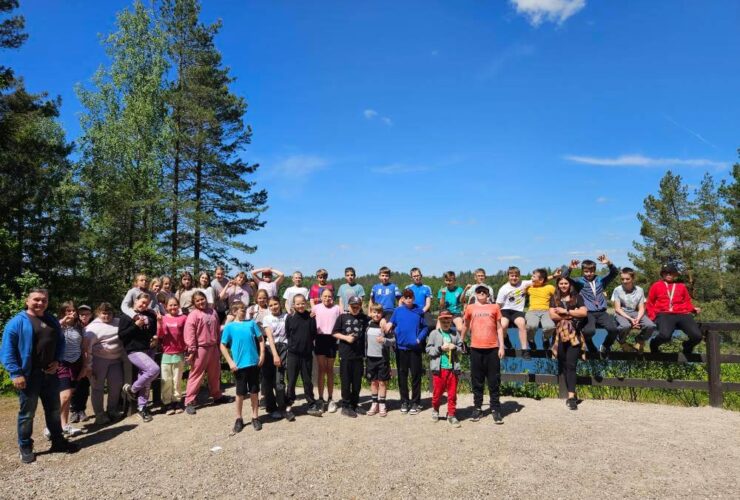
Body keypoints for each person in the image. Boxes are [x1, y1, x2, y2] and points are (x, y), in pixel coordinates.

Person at [1, 289, 78, 463]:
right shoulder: (17, 323)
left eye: (44, 300)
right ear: (27, 301)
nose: (40, 303)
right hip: (28, 376)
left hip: (50, 374)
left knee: (54, 410)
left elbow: (60, 342)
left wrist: (57, 361)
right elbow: (7, 350)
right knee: (27, 414)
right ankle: (25, 446)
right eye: (36, 299)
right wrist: (15, 373)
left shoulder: (51, 320)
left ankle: (58, 441)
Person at [461, 285, 505, 424]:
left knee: (494, 380)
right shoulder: (470, 308)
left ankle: (495, 409)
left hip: (492, 348)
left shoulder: (494, 307)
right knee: (477, 380)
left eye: (484, 292)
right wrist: (461, 340)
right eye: (479, 291)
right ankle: (477, 408)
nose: (481, 293)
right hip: (475, 348)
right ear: (475, 294)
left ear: (488, 294)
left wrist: (501, 346)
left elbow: (499, 328)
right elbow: (465, 325)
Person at [183, 291, 232, 414]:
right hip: (200, 348)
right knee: (196, 374)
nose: (201, 302)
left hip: (213, 347)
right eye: (197, 300)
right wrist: (192, 350)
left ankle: (217, 395)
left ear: (206, 299)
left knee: (215, 373)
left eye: (202, 299)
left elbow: (217, 330)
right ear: (194, 303)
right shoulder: (193, 315)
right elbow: (189, 333)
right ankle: (189, 401)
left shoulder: (213, 312)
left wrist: (219, 345)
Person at [220, 302, 265, 433]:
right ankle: (238, 418)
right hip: (239, 365)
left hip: (254, 363)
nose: (244, 312)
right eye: (242, 310)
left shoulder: (251, 323)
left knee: (254, 391)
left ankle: (255, 417)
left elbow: (261, 339)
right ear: (234, 311)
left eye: (245, 309)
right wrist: (230, 362)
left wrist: (262, 354)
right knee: (240, 393)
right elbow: (222, 345)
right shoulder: (229, 327)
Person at [562, 255, 620, 356]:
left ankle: (605, 346)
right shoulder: (579, 281)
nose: (589, 274)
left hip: (602, 313)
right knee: (589, 331)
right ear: (583, 271)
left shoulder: (600, 280)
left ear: (595, 271)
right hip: (588, 313)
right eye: (586, 271)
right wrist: (570, 268)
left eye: (592, 271)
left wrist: (609, 263)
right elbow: (565, 277)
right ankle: (589, 343)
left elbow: (614, 273)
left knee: (614, 330)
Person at [386, 289, 428, 415]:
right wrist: (388, 326)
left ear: (413, 298)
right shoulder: (398, 311)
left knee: (416, 376)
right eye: (406, 297)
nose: (408, 299)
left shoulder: (419, 311)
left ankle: (415, 402)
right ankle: (404, 401)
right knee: (402, 376)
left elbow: (425, 328)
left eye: (410, 297)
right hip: (401, 348)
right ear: (403, 299)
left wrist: (419, 339)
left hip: (415, 349)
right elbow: (391, 323)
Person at [119, 293, 159, 422]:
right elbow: (122, 336)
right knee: (154, 370)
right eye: (142, 302)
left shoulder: (150, 315)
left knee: (147, 379)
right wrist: (135, 325)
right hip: (134, 350)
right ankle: (132, 389)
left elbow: (153, 331)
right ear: (135, 301)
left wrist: (154, 337)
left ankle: (142, 407)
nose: (144, 305)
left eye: (146, 304)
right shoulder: (126, 316)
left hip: (149, 348)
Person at [549, 277, 588, 411]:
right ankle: (572, 392)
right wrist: (573, 315)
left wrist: (565, 312)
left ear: (570, 284)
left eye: (566, 283)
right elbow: (553, 316)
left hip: (574, 336)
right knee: (564, 363)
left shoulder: (577, 297)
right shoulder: (554, 298)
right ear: (558, 285)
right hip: (559, 336)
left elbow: (584, 312)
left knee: (571, 365)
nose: (563, 285)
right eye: (561, 283)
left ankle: (571, 397)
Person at [646, 264, 703, 354]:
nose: (668, 274)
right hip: (664, 314)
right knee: (665, 336)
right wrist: (652, 317)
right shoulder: (656, 285)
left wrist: (693, 309)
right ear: (662, 274)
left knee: (697, 336)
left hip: (682, 314)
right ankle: (654, 344)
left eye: (671, 273)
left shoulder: (681, 286)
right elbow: (650, 303)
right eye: (666, 272)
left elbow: (687, 301)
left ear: (675, 274)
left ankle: (687, 346)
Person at [84, 302, 124, 425]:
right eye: (104, 313)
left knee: (116, 385)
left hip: (116, 359)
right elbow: (87, 348)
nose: (106, 316)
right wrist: (88, 366)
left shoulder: (119, 322)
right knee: (97, 387)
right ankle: (100, 415)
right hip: (98, 359)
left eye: (109, 313)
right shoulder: (92, 328)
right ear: (98, 313)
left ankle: (112, 410)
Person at [285, 294, 322, 417]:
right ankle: (289, 404)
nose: (300, 306)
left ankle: (311, 403)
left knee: (307, 380)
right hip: (293, 354)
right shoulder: (290, 317)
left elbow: (313, 334)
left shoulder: (311, 317)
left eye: (302, 303)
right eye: (298, 303)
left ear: (305, 303)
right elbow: (288, 334)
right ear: (294, 305)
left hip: (306, 354)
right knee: (291, 381)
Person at [332, 296, 369, 417]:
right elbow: (334, 333)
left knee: (357, 382)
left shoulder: (364, 318)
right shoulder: (342, 317)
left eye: (357, 306)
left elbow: (376, 318)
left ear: (360, 306)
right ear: (348, 306)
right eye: (353, 306)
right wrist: (346, 338)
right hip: (346, 355)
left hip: (359, 355)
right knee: (346, 381)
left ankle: (354, 404)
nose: (355, 308)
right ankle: (345, 406)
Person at [55, 301, 88, 437]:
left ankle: (63, 425)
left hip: (76, 363)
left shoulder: (80, 327)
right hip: (61, 363)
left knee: (68, 397)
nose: (72, 313)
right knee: (65, 395)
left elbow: (84, 348)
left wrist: (85, 366)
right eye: (68, 311)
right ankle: (53, 425)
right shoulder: (57, 325)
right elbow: (49, 334)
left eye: (74, 310)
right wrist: (62, 322)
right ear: (63, 312)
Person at [426, 310, 463, 427]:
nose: (446, 323)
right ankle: (435, 410)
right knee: (437, 393)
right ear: (439, 321)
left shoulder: (455, 334)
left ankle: (451, 414)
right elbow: (428, 350)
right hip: (439, 369)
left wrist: (455, 347)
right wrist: (440, 349)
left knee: (452, 394)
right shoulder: (434, 334)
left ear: (451, 321)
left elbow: (462, 349)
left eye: (448, 321)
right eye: (443, 321)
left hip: (452, 369)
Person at [612, 267, 656, 352]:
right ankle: (622, 341)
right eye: (622, 279)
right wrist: (631, 319)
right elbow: (617, 309)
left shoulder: (639, 290)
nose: (624, 281)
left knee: (650, 325)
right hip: (621, 312)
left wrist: (638, 319)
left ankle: (640, 340)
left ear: (633, 278)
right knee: (625, 326)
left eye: (627, 279)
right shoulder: (617, 290)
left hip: (634, 312)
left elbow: (641, 308)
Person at [313, 288, 342, 412]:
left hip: (332, 339)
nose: (327, 298)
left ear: (332, 297)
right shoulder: (316, 308)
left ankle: (330, 398)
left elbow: (342, 322)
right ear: (320, 297)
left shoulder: (337, 308)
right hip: (320, 338)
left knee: (330, 370)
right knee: (321, 370)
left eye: (329, 296)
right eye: (324, 296)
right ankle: (320, 399)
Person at [261, 297, 291, 420]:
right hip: (270, 349)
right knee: (268, 380)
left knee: (279, 381)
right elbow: (269, 337)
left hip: (283, 347)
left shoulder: (286, 317)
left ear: (280, 304)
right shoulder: (267, 318)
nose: (274, 307)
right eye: (271, 305)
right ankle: (271, 407)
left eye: (276, 304)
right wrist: (275, 355)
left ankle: (282, 407)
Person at [157, 297, 187, 414]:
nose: (173, 307)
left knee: (177, 379)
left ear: (178, 306)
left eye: (175, 305)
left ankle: (177, 401)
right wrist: (159, 323)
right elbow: (159, 335)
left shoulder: (183, 318)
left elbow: (187, 334)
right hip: (166, 353)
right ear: (166, 307)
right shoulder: (163, 318)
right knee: (166, 380)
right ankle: (167, 403)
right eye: (170, 305)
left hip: (179, 353)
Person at [364, 304, 395, 417]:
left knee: (382, 382)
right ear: (371, 313)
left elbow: (393, 340)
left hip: (382, 358)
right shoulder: (367, 325)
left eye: (378, 312)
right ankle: (374, 403)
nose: (376, 315)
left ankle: (382, 403)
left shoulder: (385, 326)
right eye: (374, 312)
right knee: (373, 382)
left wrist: (384, 340)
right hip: (370, 358)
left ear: (382, 314)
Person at [69, 304, 94, 424]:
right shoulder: (74, 326)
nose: (84, 316)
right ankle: (74, 410)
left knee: (84, 386)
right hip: (75, 361)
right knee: (74, 386)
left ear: (91, 315)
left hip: (89, 360)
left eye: (87, 314)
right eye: (82, 314)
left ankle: (82, 410)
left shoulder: (94, 327)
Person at [525, 268, 558, 352]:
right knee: (531, 326)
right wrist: (553, 276)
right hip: (532, 311)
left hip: (546, 311)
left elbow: (558, 296)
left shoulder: (549, 287)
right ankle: (530, 339)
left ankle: (545, 338)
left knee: (550, 326)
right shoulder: (529, 287)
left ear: (541, 279)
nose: (531, 278)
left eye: (533, 276)